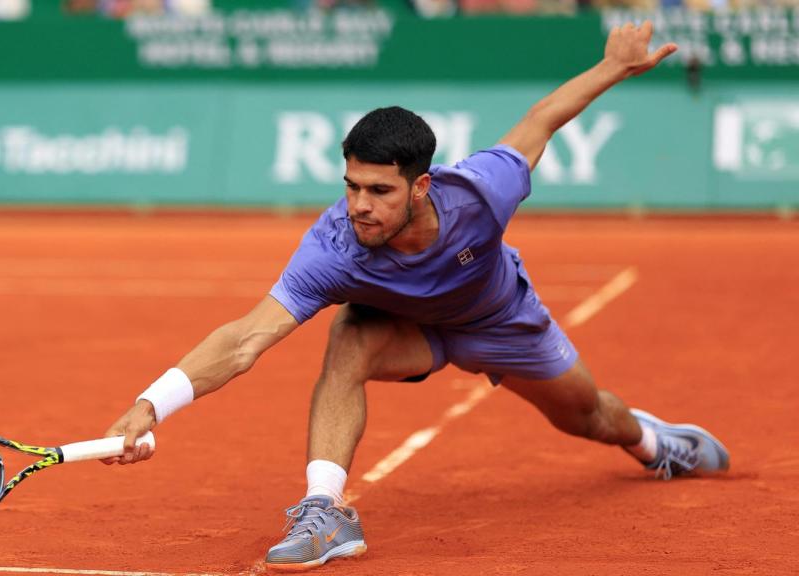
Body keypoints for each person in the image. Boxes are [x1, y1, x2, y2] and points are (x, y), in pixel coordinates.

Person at [100, 20, 730, 571]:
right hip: (409, 331)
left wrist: (613, 66)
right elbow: (243, 339)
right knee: (347, 338)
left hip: (500, 319)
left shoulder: (481, 192)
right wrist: (151, 404)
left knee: (590, 417)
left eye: (378, 191)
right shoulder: (333, 245)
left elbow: (541, 120)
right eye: (350, 186)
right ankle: (325, 511)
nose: (358, 207)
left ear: (422, 186)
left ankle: (654, 443)